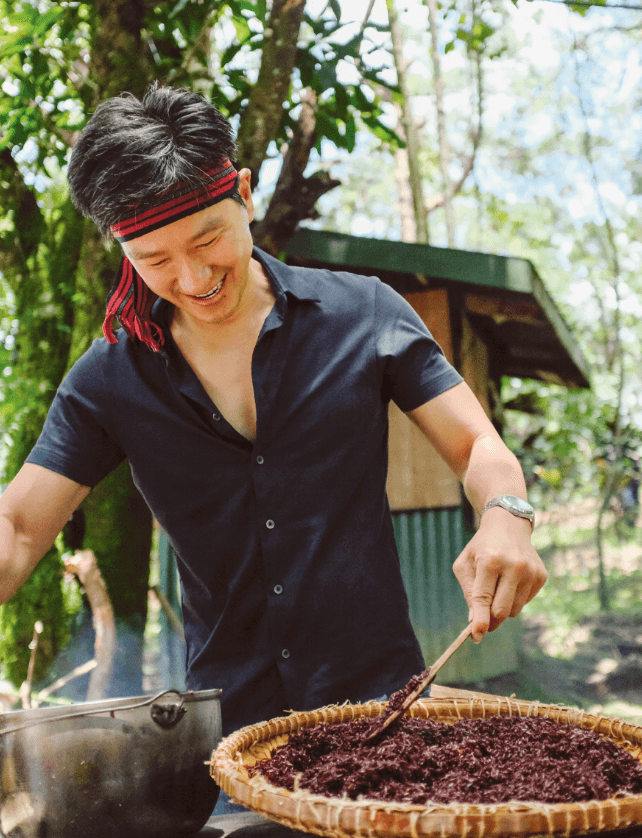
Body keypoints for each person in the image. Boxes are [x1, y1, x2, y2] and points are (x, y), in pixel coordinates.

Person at [0, 85, 546, 739]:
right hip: (231, 744)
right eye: (155, 261)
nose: (193, 277)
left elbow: (476, 448)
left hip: (382, 718)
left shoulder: (364, 315)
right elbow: (20, 527)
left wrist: (505, 514)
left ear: (246, 196)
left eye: (207, 240)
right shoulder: (109, 379)